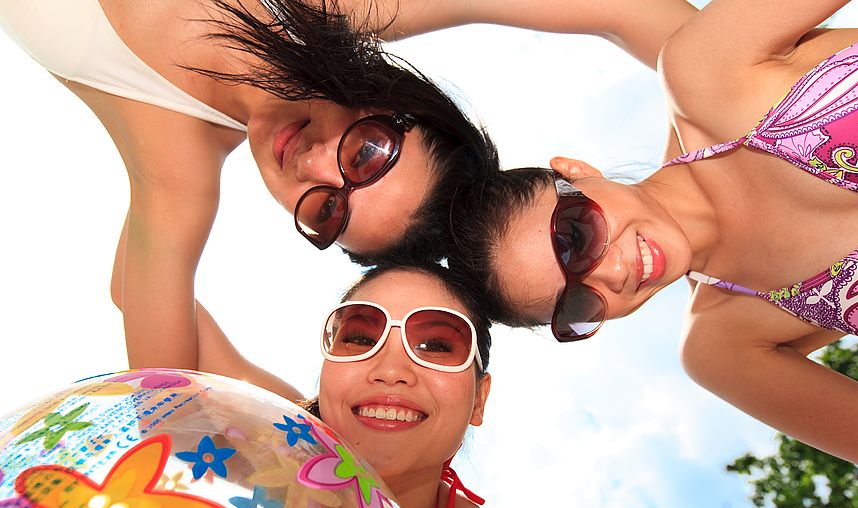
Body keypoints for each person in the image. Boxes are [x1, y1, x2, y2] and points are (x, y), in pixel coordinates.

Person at [390, 1, 858, 471]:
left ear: (577, 171)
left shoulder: (707, 69)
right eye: (581, 303)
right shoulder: (726, 348)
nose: (616, 272)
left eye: (575, 237)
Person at [0, 0, 496, 400]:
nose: (313, 166)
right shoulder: (322, 9)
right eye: (367, 154)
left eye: (327, 211)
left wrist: (330, 437)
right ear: (390, 100)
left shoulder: (179, 180)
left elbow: (162, 390)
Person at [197, 259, 525, 508]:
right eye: (361, 339)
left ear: (478, 401)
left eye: (434, 346)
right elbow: (178, 360)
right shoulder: (290, 433)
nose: (391, 370)